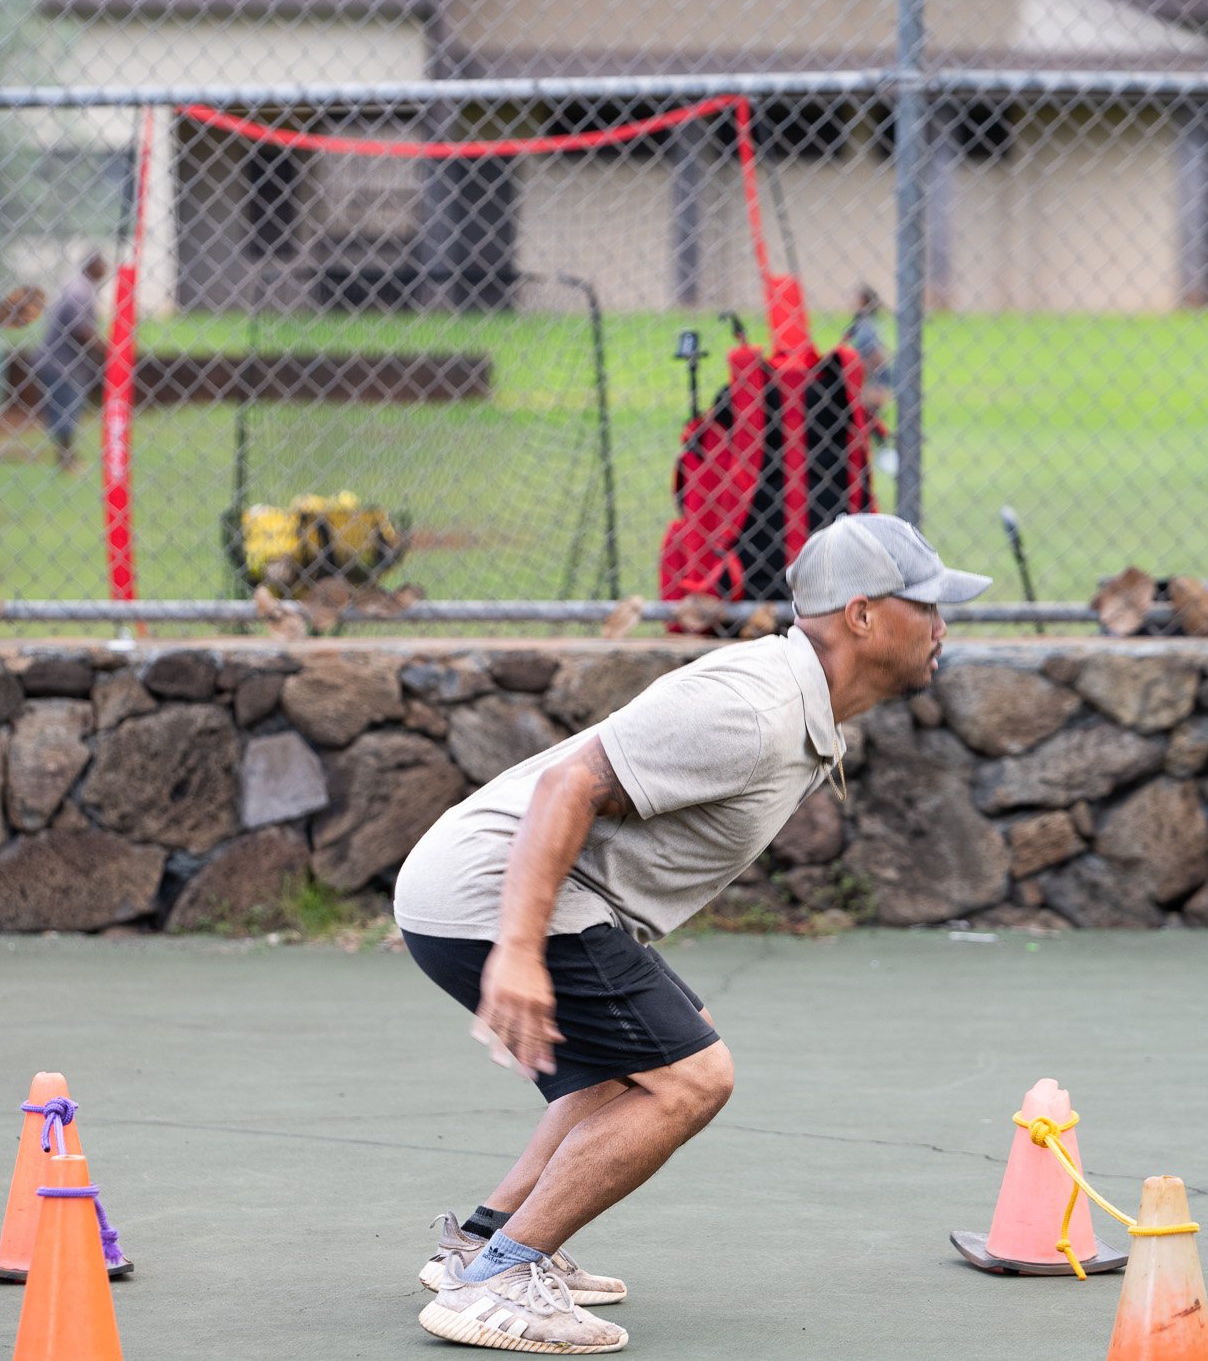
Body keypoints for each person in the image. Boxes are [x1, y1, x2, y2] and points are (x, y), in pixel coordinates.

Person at [393, 514, 993, 1353]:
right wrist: (520, 951)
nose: (941, 625)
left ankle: (483, 1238)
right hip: (488, 891)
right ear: (861, 615)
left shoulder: (793, 703)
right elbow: (569, 786)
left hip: (516, 891)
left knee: (648, 1056)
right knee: (689, 1078)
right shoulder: (753, 708)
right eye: (926, 605)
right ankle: (499, 1276)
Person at [33, 252, 109, 471]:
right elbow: (80, 330)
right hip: (61, 365)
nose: (107, 269)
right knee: (65, 410)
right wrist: (106, 350)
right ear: (93, 265)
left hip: (61, 363)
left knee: (66, 410)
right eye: (103, 264)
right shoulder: (80, 291)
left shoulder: (80, 287)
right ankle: (66, 461)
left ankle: (67, 457)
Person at [846, 284, 898, 477]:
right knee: (867, 419)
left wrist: (867, 378)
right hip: (872, 380)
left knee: (867, 417)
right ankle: (883, 452)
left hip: (872, 381)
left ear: (863, 302)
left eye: (855, 297)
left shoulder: (864, 326)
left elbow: (875, 356)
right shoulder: (864, 323)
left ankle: (886, 452)